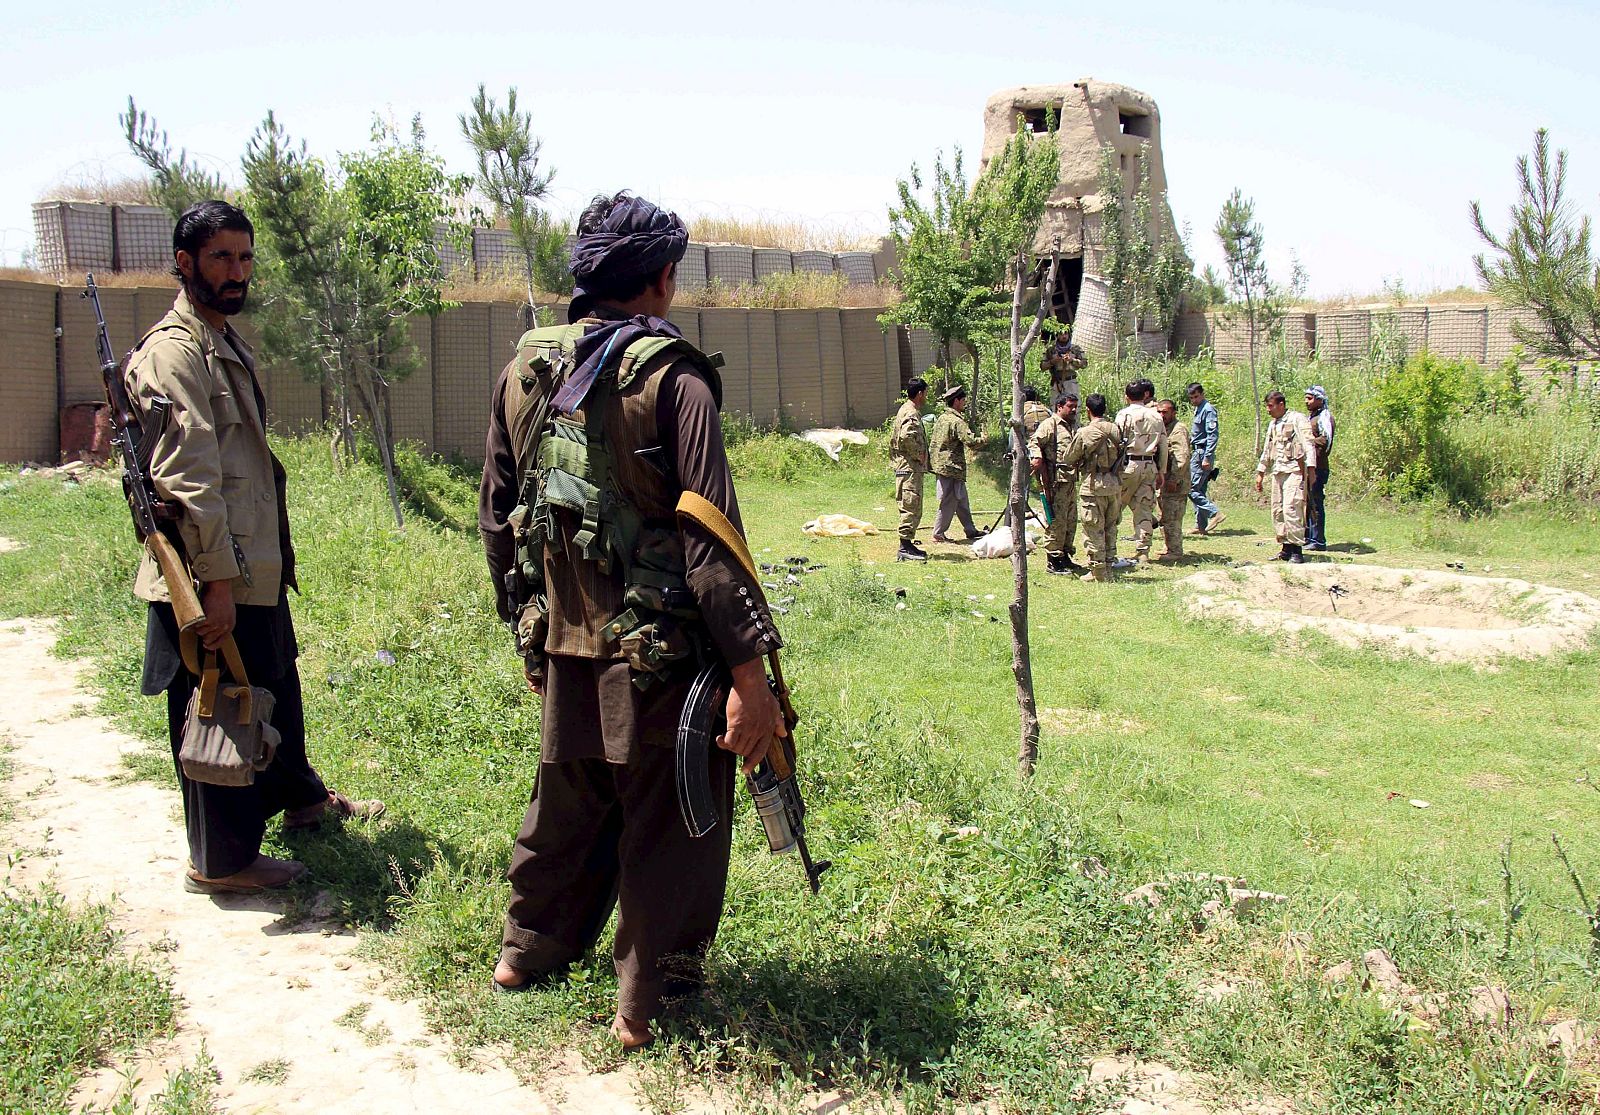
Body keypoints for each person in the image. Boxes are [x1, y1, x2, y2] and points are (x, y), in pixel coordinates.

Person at [479, 191, 785, 1049]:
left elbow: (498, 517)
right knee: (673, 822)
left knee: (565, 801)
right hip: (661, 656)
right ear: (660, 278)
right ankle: (648, 1001)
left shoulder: (523, 369)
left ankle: (525, 950)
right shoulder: (674, 377)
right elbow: (713, 543)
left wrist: (527, 622)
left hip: (564, 642)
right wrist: (749, 678)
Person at [125, 201, 382, 896]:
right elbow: (189, 480)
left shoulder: (219, 337)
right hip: (214, 571)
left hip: (249, 564)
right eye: (221, 259)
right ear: (184, 263)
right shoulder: (175, 353)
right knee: (217, 706)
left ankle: (302, 798)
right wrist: (214, 583)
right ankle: (222, 860)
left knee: (274, 682)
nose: (237, 273)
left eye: (244, 258)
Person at [1061, 393, 1124, 582]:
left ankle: (1098, 571)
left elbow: (1068, 457)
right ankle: (1109, 566)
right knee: (1111, 526)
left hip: (1093, 485)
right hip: (1114, 483)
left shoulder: (1085, 432)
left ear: (1088, 410)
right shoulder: (1116, 429)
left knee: (1093, 528)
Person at [1255, 389, 1318, 563]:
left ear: (1281, 405)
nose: (1268, 410)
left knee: (1292, 508)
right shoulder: (1273, 424)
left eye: (1271, 406)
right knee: (1278, 510)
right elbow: (1268, 449)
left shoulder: (1297, 419)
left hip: (1295, 471)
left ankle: (1297, 549)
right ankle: (1285, 548)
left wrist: (1311, 470)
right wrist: (1260, 472)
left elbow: (1308, 444)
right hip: (1278, 471)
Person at [1113, 380, 1168, 565]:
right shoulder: (1156, 416)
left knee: (1115, 507)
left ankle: (1109, 547)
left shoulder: (1123, 415)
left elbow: (1116, 442)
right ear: (1145, 395)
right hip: (1149, 465)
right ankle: (1143, 551)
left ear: (1127, 397)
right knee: (1144, 509)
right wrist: (1162, 470)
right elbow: (1163, 446)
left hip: (1128, 465)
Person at [1028, 393, 1081, 575]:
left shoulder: (1072, 426)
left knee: (1070, 520)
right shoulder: (1050, 425)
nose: (1073, 410)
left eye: (1075, 406)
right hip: (1056, 481)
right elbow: (1034, 441)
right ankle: (1053, 559)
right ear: (1059, 407)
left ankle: (1066, 554)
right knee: (1057, 520)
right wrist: (1037, 457)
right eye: (1070, 406)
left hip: (1071, 480)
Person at [928, 384, 987, 543]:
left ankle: (970, 530)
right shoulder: (957, 421)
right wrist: (984, 439)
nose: (965, 402)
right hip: (952, 467)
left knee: (961, 500)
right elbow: (971, 442)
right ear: (956, 402)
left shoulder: (942, 418)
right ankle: (938, 533)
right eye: (963, 400)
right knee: (949, 500)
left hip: (942, 465)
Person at [890, 377, 931, 562]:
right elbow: (906, 436)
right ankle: (904, 547)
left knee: (913, 505)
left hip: (909, 468)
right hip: (909, 468)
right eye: (926, 394)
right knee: (910, 505)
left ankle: (907, 544)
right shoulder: (910, 413)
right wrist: (918, 454)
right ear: (920, 394)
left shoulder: (908, 410)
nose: (926, 398)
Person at [1185, 382, 1225, 535]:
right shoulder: (1198, 409)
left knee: (1191, 488)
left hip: (1202, 453)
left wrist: (1207, 457)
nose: (1194, 400)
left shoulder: (1208, 410)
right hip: (1197, 452)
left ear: (1202, 394)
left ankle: (1215, 513)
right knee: (1200, 489)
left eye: (1196, 396)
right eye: (1191, 398)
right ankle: (1201, 525)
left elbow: (1212, 435)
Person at [1154, 399, 1190, 560]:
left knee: (1173, 517)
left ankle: (1175, 550)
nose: (1162, 415)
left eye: (1165, 412)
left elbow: (1181, 458)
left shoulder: (1178, 430)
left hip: (1175, 482)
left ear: (1173, 413)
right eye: (1159, 412)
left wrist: (1174, 479)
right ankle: (1168, 546)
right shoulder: (1163, 429)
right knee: (1164, 515)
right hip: (1164, 481)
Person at [1304, 385, 1335, 551]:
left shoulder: (1324, 417)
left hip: (1319, 467)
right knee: (1308, 502)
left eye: (1310, 398)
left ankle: (1318, 540)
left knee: (1316, 502)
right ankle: (1308, 537)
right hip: (1310, 465)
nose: (1306, 402)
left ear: (1319, 399)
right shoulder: (1313, 417)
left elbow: (1325, 441)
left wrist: (1307, 441)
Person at [1040, 330, 1086, 400]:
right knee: (1055, 406)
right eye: (1061, 334)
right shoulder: (1051, 350)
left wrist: (1072, 360)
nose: (1064, 336)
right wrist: (1052, 362)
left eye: (1066, 334)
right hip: (1057, 382)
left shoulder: (1075, 349)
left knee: (1072, 405)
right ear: (1057, 335)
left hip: (1071, 381)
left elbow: (1084, 364)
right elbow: (1042, 366)